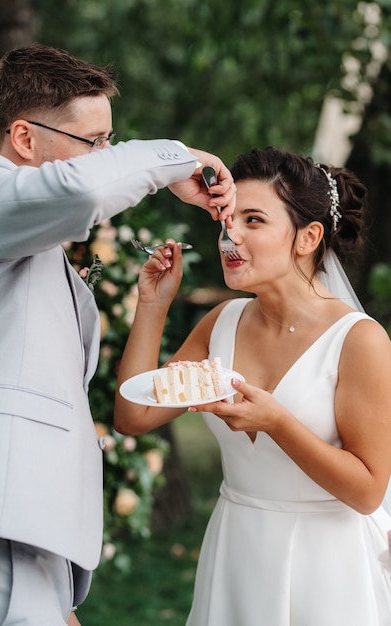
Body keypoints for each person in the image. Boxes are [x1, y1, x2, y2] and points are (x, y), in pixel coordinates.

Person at [0, 43, 236, 626]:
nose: (104, 156)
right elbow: (83, 191)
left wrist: (57, 593)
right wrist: (179, 160)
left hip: (23, 528)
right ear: (23, 138)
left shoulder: (21, 231)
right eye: (94, 143)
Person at [115, 147, 391, 625]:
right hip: (237, 547)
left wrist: (279, 423)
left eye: (253, 220)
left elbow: (368, 491)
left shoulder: (359, 340)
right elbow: (134, 416)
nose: (230, 235)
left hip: (325, 564)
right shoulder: (223, 322)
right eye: (227, 218)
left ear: (307, 237)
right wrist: (153, 306)